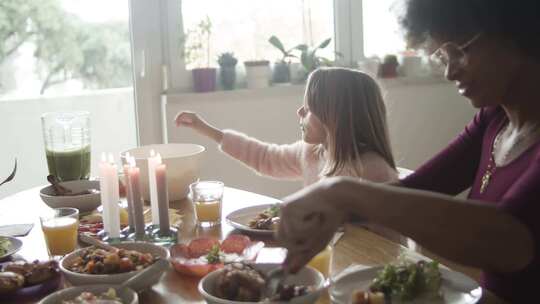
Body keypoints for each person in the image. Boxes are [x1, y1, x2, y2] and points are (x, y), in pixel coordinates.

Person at [276, 1, 540, 302]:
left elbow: (511, 240)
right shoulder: (495, 119)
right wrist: (328, 213)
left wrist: (343, 191)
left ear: (517, 30)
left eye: (462, 51)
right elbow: (416, 189)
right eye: (443, 56)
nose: (450, 72)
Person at [175, 67, 401, 240]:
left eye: (309, 107)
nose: (299, 111)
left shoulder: (373, 172)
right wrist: (205, 129)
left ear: (336, 117)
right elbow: (265, 158)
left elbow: (387, 243)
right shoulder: (313, 153)